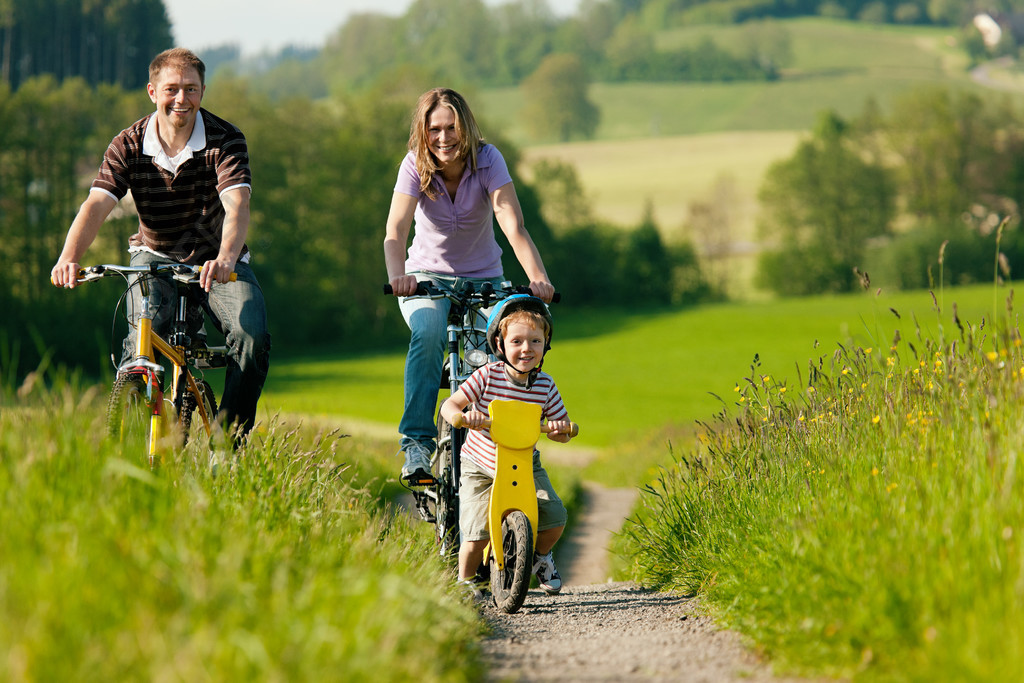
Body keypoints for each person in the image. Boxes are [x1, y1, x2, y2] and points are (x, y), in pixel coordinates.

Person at [50, 47, 271, 443]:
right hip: (154, 255)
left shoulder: (226, 139)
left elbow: (237, 205)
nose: (181, 99)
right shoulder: (129, 143)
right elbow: (98, 204)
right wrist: (69, 258)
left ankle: (227, 439)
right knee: (142, 338)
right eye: (172, 89)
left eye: (191, 89)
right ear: (152, 91)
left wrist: (225, 257)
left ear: (203, 91)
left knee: (250, 335)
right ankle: (132, 439)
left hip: (217, 260)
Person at [384, 87, 556, 482]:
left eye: (451, 128)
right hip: (426, 279)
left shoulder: (488, 159)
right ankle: (417, 445)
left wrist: (539, 278)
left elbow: (512, 225)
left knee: (504, 349)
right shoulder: (414, 165)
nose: (443, 138)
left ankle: (507, 446)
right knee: (428, 333)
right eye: (434, 129)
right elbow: (395, 230)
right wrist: (398, 276)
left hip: (485, 281)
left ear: (466, 127)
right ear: (423, 132)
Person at [440, 295, 573, 596]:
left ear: (545, 345)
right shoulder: (487, 376)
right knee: (476, 534)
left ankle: (540, 557)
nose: (526, 349)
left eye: (535, 342)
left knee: (554, 518)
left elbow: (562, 431)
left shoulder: (545, 386)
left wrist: (559, 429)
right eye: (517, 342)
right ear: (500, 345)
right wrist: (463, 416)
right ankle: (465, 580)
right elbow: (449, 405)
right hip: (481, 464)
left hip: (525, 462)